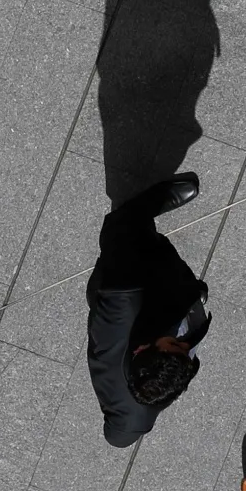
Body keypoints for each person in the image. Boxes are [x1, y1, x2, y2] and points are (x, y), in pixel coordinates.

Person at [86, 172, 210, 447]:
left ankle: (150, 204)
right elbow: (118, 438)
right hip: (155, 308)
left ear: (142, 350)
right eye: (184, 350)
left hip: (122, 288)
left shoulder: (119, 311)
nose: (183, 341)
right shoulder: (138, 418)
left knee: (124, 228)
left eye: (173, 344)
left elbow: (114, 228)